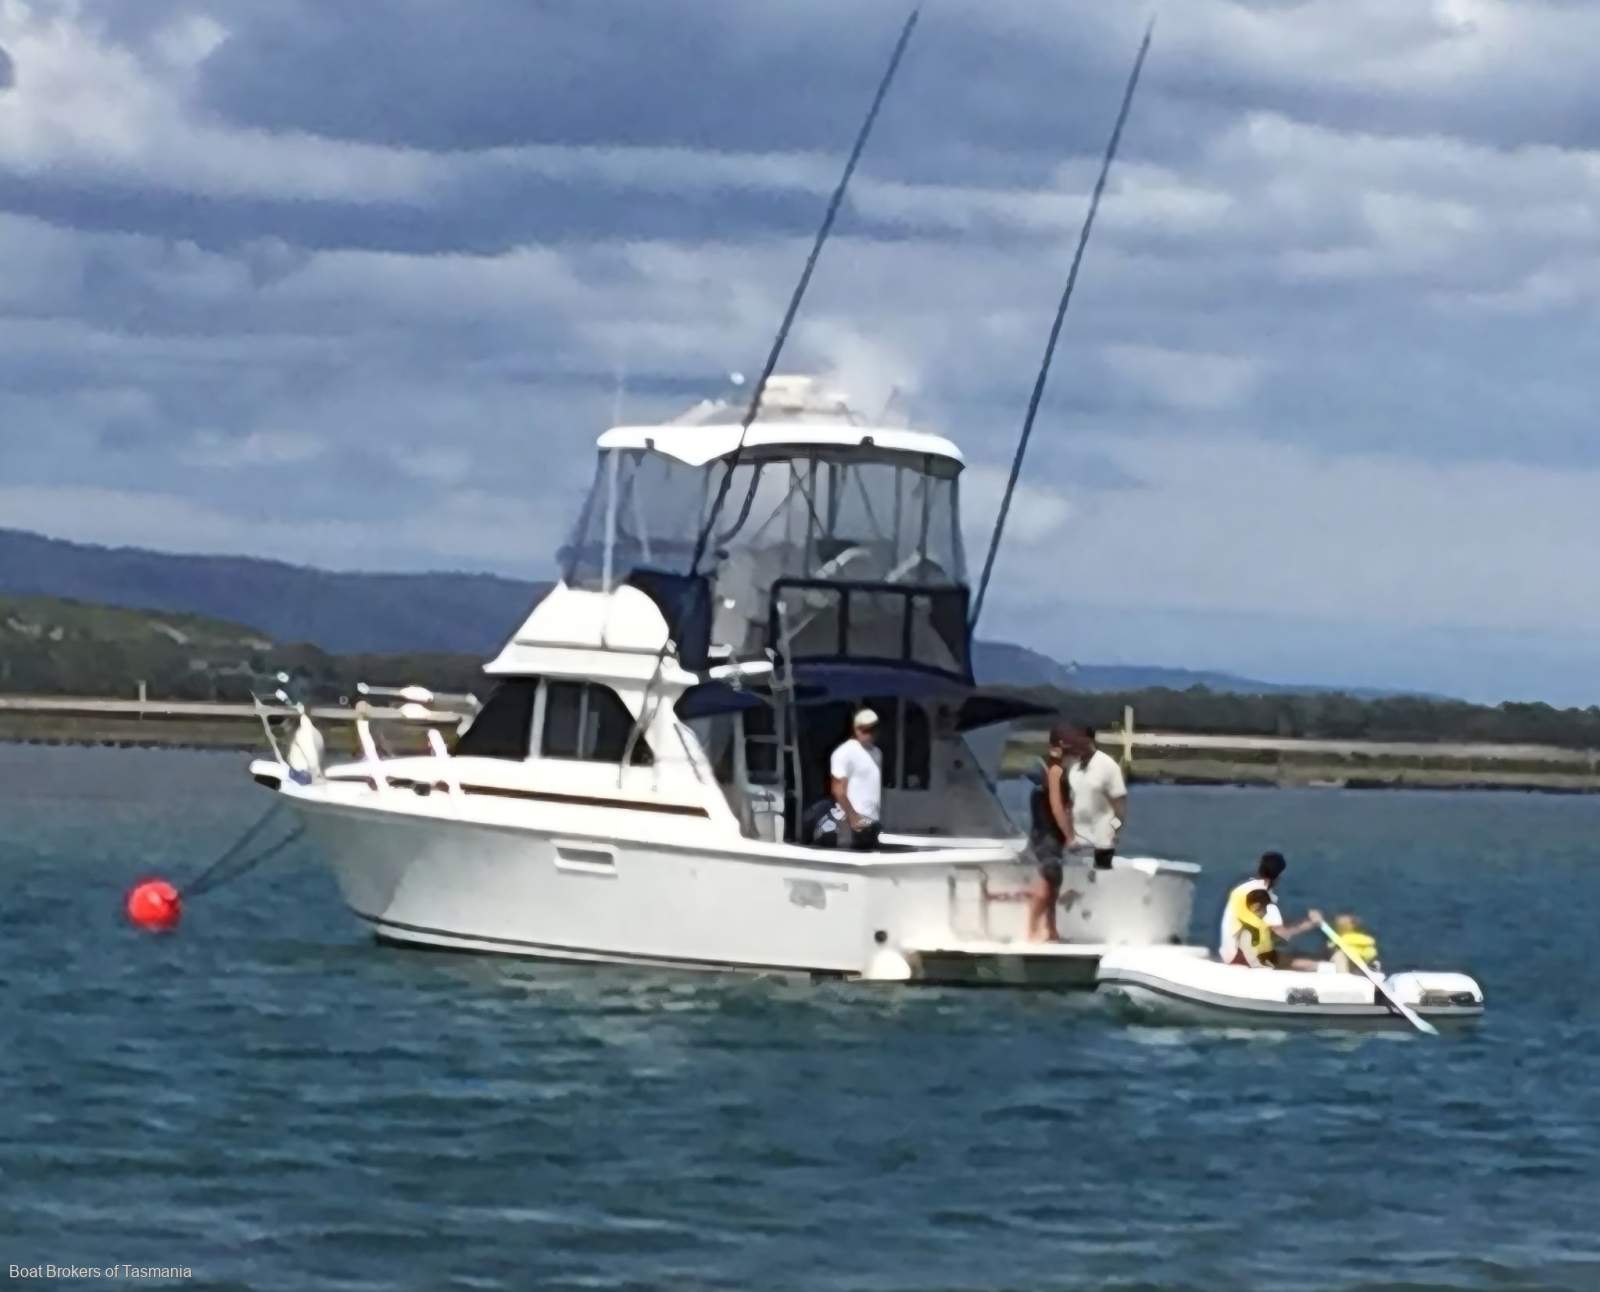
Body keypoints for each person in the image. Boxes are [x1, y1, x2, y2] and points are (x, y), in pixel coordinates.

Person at [1218, 851, 1323, 969]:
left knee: (1279, 952)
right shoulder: (1267, 902)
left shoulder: (1241, 889)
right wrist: (1310, 923)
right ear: (1279, 875)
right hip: (1242, 958)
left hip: (1227, 952)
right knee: (1305, 964)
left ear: (1259, 869)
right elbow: (1282, 934)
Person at [1024, 724, 1075, 942]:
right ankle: (1032, 931)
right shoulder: (1054, 771)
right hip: (1046, 834)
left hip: (1048, 834)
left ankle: (1051, 930)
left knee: (1054, 885)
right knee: (1046, 886)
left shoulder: (1055, 769)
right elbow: (1057, 807)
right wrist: (1070, 835)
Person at [1066, 726, 1126, 869]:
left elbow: (1120, 808)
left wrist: (1113, 830)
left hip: (1102, 841)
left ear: (1090, 739)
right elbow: (1070, 805)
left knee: (1101, 879)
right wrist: (1069, 836)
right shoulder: (1074, 769)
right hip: (1078, 842)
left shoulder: (1108, 766)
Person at [828, 708, 883, 851]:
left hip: (872, 822)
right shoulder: (844, 752)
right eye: (865, 729)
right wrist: (852, 817)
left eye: (873, 729)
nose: (870, 733)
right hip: (849, 822)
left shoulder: (877, 753)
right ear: (856, 729)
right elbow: (837, 789)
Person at [1230, 887, 1278, 967]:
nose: (1264, 912)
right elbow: (1253, 963)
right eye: (1259, 909)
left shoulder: (1263, 927)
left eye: (1265, 908)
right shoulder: (1248, 932)